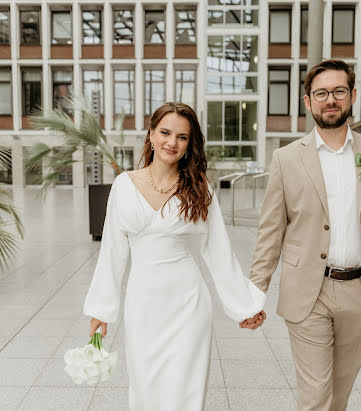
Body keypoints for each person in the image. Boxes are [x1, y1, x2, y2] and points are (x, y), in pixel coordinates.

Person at [83, 102, 266, 410]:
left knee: (185, 394)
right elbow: (112, 252)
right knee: (145, 390)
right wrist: (101, 310)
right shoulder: (124, 185)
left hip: (188, 306)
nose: (172, 142)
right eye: (165, 132)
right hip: (142, 307)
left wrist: (244, 305)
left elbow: (219, 251)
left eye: (182, 137)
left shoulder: (200, 188)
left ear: (189, 144)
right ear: (151, 135)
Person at [249, 60, 361, 411]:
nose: (330, 100)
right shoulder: (286, 158)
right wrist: (255, 290)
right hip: (307, 291)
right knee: (316, 395)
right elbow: (271, 229)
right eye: (321, 93)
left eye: (338, 91)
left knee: (339, 395)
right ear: (308, 102)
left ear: (352, 96)